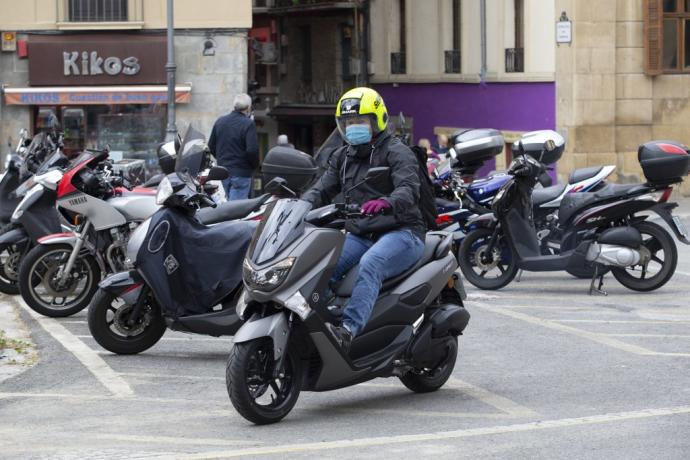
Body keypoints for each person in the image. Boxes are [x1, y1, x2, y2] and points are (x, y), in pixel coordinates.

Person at [302, 87, 426, 352]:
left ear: (377, 120)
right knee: (319, 265)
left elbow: (408, 188)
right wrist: (297, 207)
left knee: (372, 264)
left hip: (402, 232)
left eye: (360, 121)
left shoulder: (397, 152)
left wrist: (387, 202)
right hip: (361, 233)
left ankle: (348, 330)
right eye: (348, 122)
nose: (353, 127)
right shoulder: (342, 156)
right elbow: (321, 188)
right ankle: (321, 323)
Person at [208, 93, 259, 200]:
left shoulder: (220, 121)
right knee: (235, 211)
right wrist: (254, 166)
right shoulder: (248, 124)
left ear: (234, 106)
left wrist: (222, 159)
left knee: (225, 206)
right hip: (241, 172)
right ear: (248, 108)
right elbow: (252, 151)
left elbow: (210, 146)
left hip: (223, 171)